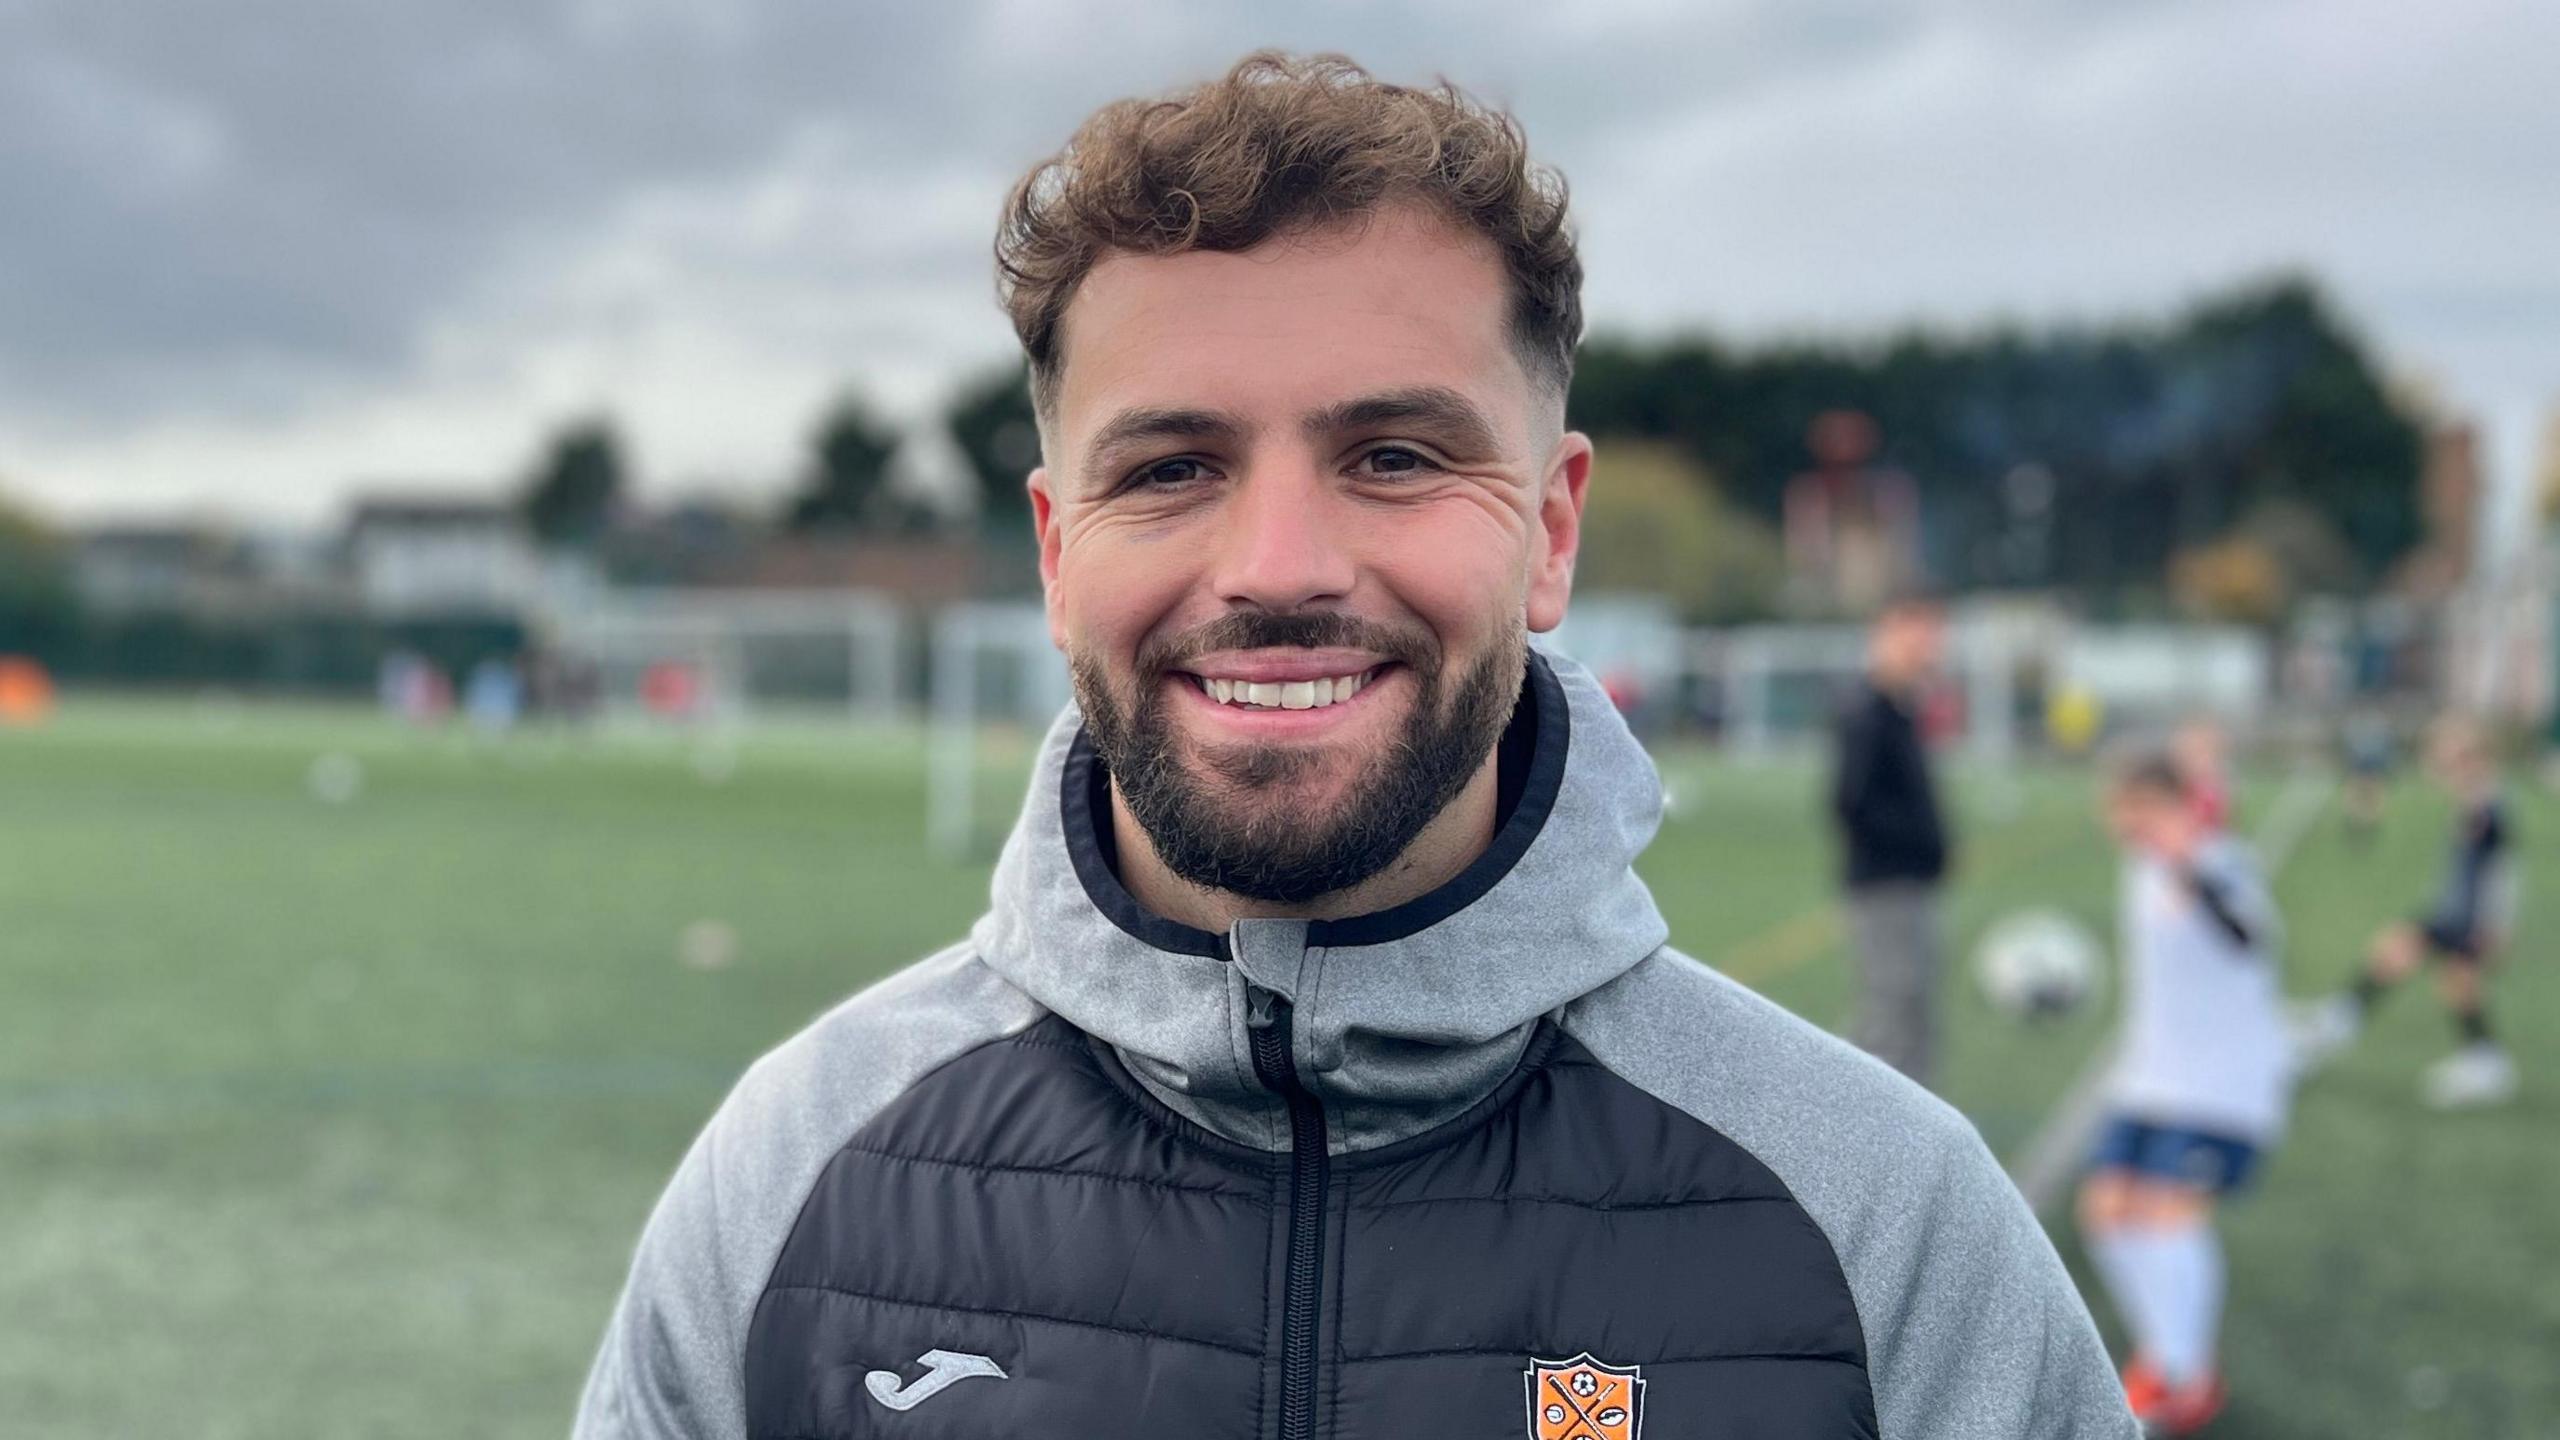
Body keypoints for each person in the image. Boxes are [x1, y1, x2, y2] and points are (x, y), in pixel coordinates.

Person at [575, 53, 2131, 1439]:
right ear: (1056, 554)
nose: (1278, 564)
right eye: (1174, 466)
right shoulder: (792, 1185)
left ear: (1552, 528)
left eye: (1393, 456)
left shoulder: (1884, 1220)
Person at [2078, 748, 2288, 1436]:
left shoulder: (2219, 863)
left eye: (2136, 811)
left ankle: (2188, 1376)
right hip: (2149, 1078)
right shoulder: (2138, 867)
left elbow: (2248, 934)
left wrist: (2193, 868)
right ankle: (2165, 1355)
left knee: (2171, 1216)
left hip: (2222, 1085)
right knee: (2106, 1212)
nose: (2124, 826)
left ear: (2169, 807)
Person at [2296, 715, 2518, 1107]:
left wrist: (2495, 923)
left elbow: (2500, 868)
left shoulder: (2486, 806)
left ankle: (2336, 1023)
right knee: (2446, 977)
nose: (2435, 765)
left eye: (2443, 757)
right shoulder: (2474, 798)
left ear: (2466, 759)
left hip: (2466, 915)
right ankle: (2485, 1061)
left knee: (2425, 965)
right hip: (2456, 909)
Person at [1831, 589, 1954, 1087]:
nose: (1929, 646)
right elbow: (1852, 802)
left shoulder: (1900, 708)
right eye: (1917, 632)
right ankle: (1867, 1140)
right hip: (1886, 885)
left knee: (1913, 1016)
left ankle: (1915, 1142)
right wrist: (1918, 844)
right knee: (1890, 1021)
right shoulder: (1869, 710)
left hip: (1909, 882)